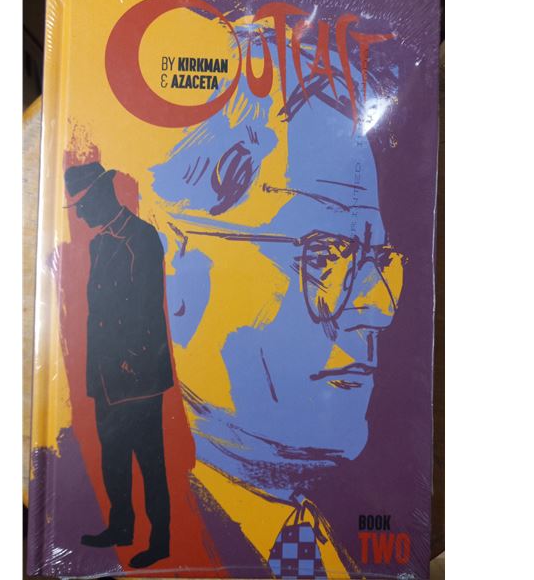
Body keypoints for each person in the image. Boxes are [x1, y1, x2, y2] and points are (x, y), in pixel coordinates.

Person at [150, 39, 404, 578]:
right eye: (326, 256)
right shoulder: (117, 535)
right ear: (172, 269)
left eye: (380, 261)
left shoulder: (348, 547)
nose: (377, 308)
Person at [64, 161, 173, 569]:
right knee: (113, 458)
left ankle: (160, 540)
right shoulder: (99, 244)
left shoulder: (141, 237)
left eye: (81, 204)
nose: (79, 215)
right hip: (105, 375)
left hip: (138, 377)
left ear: (99, 194)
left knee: (150, 462)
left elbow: (148, 306)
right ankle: (121, 528)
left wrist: (132, 361)